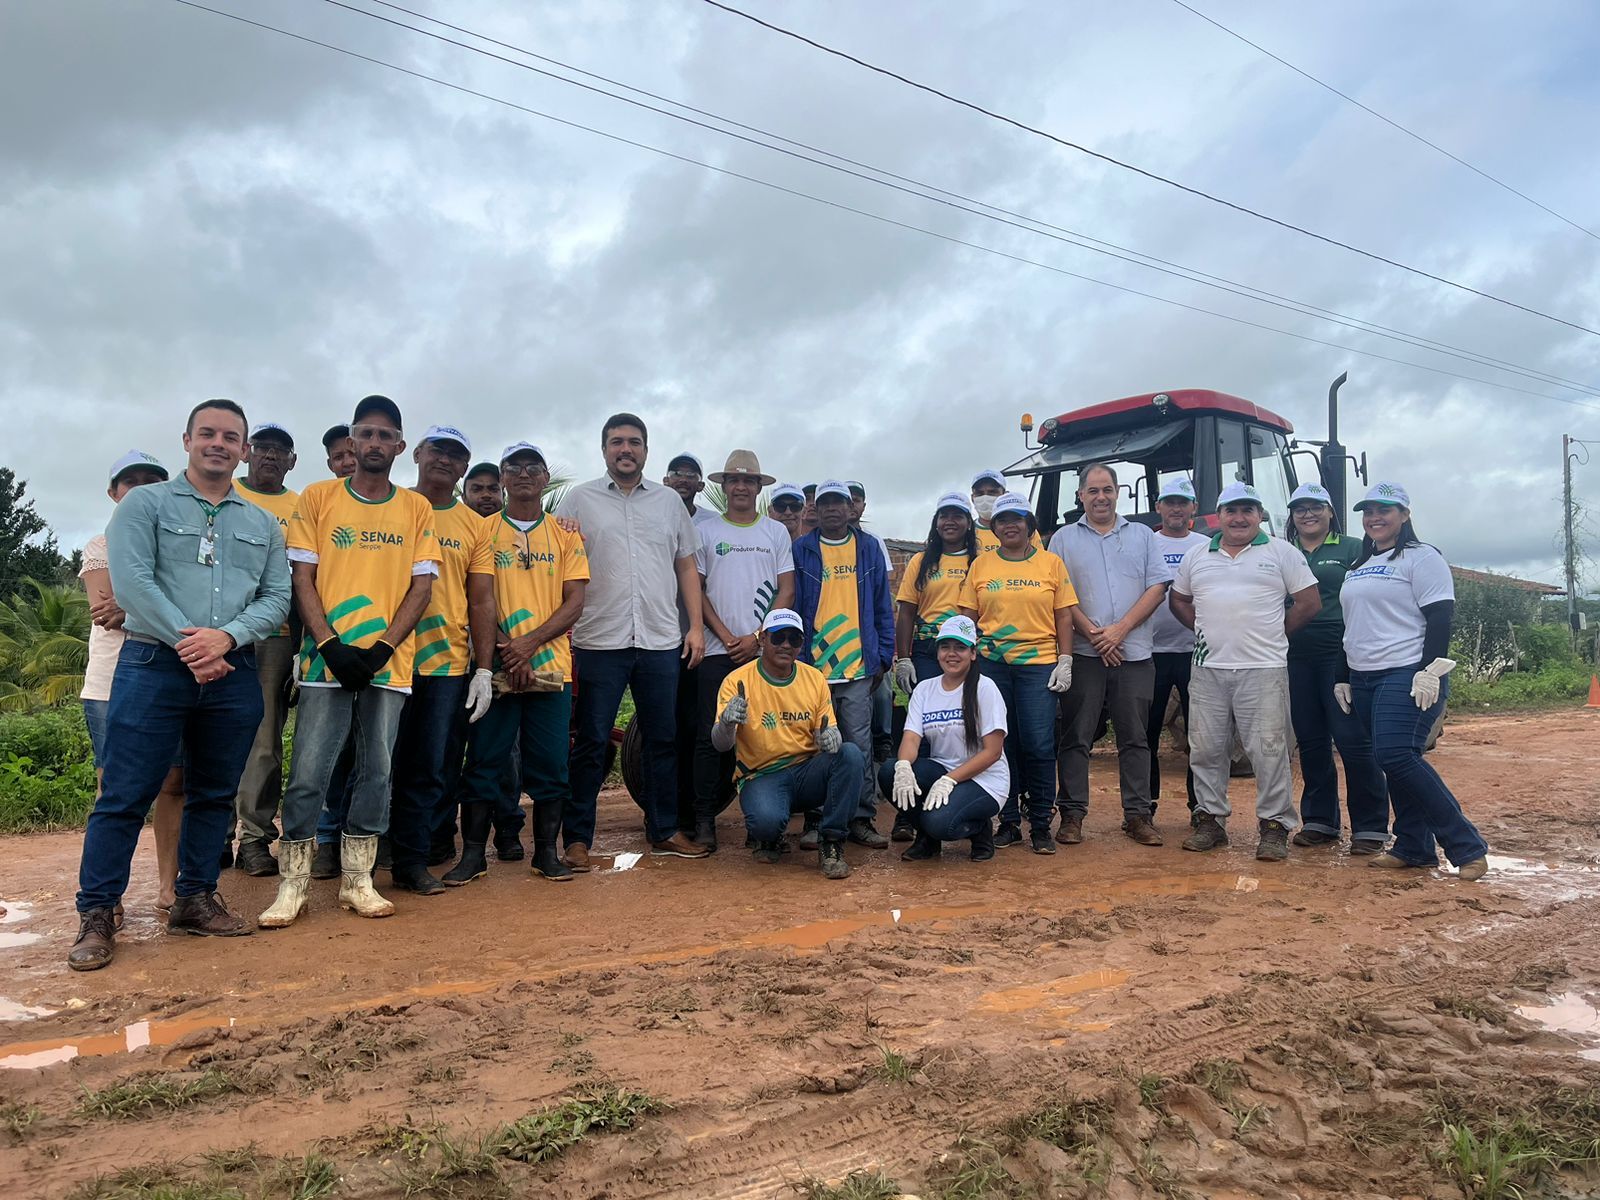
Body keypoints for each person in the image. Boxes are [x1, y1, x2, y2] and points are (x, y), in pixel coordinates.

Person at [69, 401, 291, 971]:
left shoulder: (261, 523)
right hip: (153, 666)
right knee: (124, 794)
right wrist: (193, 644)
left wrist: (228, 639)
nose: (219, 443)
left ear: (243, 449)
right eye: (208, 433)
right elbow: (134, 583)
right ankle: (97, 913)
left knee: (214, 793)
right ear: (187, 439)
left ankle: (194, 898)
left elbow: (276, 598)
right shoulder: (145, 504)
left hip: (232, 670)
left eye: (231, 436)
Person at [260, 395, 438, 928]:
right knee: (310, 772)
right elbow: (301, 579)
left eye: (387, 436)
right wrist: (331, 645)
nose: (376, 444)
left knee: (376, 772)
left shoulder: (416, 508)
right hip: (324, 664)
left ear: (400, 446)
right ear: (351, 442)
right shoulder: (317, 499)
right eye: (367, 434)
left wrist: (382, 648)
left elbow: (422, 587)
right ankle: (292, 884)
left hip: (389, 665)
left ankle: (358, 881)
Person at [555, 412, 709, 863]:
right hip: (598, 639)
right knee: (591, 741)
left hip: (661, 640)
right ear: (604, 449)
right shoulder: (576, 502)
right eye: (617, 442)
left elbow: (686, 565)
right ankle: (577, 839)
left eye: (634, 442)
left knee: (663, 739)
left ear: (646, 449)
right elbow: (558, 565)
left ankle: (663, 830)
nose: (626, 449)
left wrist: (695, 626)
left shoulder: (668, 504)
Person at [452, 442, 590, 884]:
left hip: (552, 669)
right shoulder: (482, 531)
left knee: (551, 765)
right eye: (515, 467)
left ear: (546, 477)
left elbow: (575, 601)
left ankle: (545, 854)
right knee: (484, 762)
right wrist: (508, 651)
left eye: (534, 467)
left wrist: (528, 644)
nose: (525, 474)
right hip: (494, 668)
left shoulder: (567, 535)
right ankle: (472, 856)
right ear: (504, 477)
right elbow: (480, 598)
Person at [1340, 482, 1487, 881]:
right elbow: (1355, 622)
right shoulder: (1360, 563)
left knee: (1395, 756)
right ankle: (1414, 846)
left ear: (1404, 515)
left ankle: (1466, 846)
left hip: (1406, 671)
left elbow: (1440, 617)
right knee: (1398, 760)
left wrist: (1430, 670)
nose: (1374, 517)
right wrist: (1344, 676)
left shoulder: (1422, 558)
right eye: (1368, 511)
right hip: (1364, 676)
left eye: (1385, 510)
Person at [1168, 482, 1320, 861]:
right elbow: (1180, 600)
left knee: (1269, 751)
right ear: (1218, 516)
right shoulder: (1198, 554)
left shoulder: (1282, 553)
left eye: (1247, 510)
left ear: (1260, 515)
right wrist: (1205, 633)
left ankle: (1274, 827)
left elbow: (1308, 602)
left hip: (1263, 668)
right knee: (1205, 749)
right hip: (1208, 670)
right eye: (1231, 511)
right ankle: (1210, 821)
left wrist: (1273, 634)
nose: (1239, 518)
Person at [388, 426, 497, 895]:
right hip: (383, 657)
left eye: (457, 456)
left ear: (464, 466)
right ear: (417, 453)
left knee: (430, 766)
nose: (446, 461)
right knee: (373, 763)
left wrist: (485, 670)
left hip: (445, 665)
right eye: (438, 451)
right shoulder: (393, 505)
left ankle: (413, 861)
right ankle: (362, 853)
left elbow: (482, 601)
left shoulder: (473, 524)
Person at [78, 451, 183, 925]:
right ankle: (106, 895)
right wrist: (161, 609)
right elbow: (106, 612)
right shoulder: (99, 546)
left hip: (168, 673)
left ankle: (169, 885)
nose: (140, 488)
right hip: (108, 681)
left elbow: (131, 611)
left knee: (174, 784)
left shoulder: (177, 546)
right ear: (112, 492)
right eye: (130, 481)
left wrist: (135, 606)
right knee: (114, 788)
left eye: (152, 480)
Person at [1047, 464, 1170, 847]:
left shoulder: (1144, 536)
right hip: (1083, 653)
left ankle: (1137, 816)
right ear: (1080, 496)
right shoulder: (1063, 539)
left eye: (1107, 490)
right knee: (1075, 736)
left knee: (1135, 738)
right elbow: (1058, 595)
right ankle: (1072, 815)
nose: (1101, 497)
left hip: (1133, 653)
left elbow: (1157, 587)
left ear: (1118, 493)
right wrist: (1095, 635)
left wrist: (1119, 631)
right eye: (1092, 491)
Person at [958, 492, 1078, 853]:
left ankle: (1040, 823)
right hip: (993, 665)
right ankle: (1008, 821)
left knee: (1039, 744)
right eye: (1002, 520)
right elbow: (967, 615)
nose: (1010, 525)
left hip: (1038, 664)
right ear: (993, 528)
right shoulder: (981, 565)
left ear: (1029, 525)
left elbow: (1064, 615)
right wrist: (967, 660)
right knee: (1000, 744)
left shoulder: (1051, 563)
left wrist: (1066, 658)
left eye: (1017, 519)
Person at [693, 451, 795, 850]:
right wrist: (726, 635)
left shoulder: (775, 532)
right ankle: (705, 821)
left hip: (764, 652)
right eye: (734, 481)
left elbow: (786, 589)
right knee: (712, 737)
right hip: (717, 652)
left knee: (763, 733)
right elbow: (697, 589)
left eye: (748, 481)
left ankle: (762, 823)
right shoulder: (706, 531)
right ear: (724, 486)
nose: (740, 487)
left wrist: (757, 637)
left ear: (758, 487)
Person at [711, 608, 859, 879]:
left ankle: (832, 842)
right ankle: (767, 836)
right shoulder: (737, 681)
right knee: (766, 823)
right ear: (763, 639)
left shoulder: (813, 678)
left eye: (795, 639)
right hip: (761, 775)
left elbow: (826, 736)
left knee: (850, 755)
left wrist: (830, 739)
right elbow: (721, 745)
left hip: (805, 772)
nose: (787, 645)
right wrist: (727, 723)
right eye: (779, 637)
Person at [1284, 482, 1389, 855]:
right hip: (1295, 656)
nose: (1308, 514)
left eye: (1316, 507)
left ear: (1331, 511)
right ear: (1291, 517)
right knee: (1311, 741)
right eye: (1300, 509)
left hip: (1342, 655)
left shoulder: (1354, 548)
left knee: (1352, 741)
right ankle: (1320, 821)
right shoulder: (1284, 551)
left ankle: (1371, 826)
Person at [792, 479, 895, 850]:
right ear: (815, 510)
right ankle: (816, 820)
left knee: (860, 745)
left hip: (858, 669)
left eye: (840, 502)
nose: (833, 509)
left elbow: (884, 604)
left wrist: (884, 655)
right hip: (813, 669)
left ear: (850, 508)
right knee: (817, 746)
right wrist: (798, 661)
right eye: (826, 503)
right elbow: (795, 605)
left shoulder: (868, 548)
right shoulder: (802, 549)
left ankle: (861, 818)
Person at [227, 422, 300, 877]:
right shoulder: (223, 493)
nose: (271, 456)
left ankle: (254, 840)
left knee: (265, 740)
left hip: (275, 635)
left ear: (292, 461)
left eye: (281, 450)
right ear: (246, 452)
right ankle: (212, 834)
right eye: (264, 447)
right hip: (214, 633)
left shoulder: (302, 507)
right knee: (209, 735)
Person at [881, 615, 1006, 862]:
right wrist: (904, 766)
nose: (952, 654)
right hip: (942, 770)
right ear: (937, 651)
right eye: (945, 646)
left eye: (960, 647)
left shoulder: (985, 688)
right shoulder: (925, 690)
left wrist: (949, 780)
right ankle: (927, 839)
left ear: (972, 653)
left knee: (940, 823)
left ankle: (979, 829)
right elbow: (911, 739)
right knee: (889, 772)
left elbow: (992, 752)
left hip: (985, 780)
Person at [1145, 478, 1208, 816]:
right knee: (1147, 732)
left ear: (1193, 508)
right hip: (1150, 652)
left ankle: (1199, 804)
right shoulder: (1146, 543)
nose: (1176, 508)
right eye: (1169, 502)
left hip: (1194, 651)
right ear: (1159, 507)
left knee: (1199, 733)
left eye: (1183, 502)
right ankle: (1146, 804)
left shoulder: (1205, 545)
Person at [662, 451, 716, 844]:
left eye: (691, 475)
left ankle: (702, 811)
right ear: (666, 480)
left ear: (701, 484)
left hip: (704, 641)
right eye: (676, 473)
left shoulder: (712, 525)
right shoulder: (655, 512)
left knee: (702, 727)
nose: (683, 479)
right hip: (661, 639)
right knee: (669, 727)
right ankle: (671, 811)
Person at [893, 492, 980, 688]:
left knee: (967, 709)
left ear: (968, 523)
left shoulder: (979, 562)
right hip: (928, 649)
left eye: (957, 516)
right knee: (927, 709)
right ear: (936, 523)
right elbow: (906, 613)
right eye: (944, 516)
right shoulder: (921, 561)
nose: (950, 521)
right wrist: (904, 659)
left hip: (966, 646)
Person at [848, 481, 896, 769]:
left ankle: (884, 737)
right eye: (847, 499)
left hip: (869, 635)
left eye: (856, 500)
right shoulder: (814, 541)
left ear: (863, 506)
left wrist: (884, 647)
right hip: (838, 642)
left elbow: (883, 596)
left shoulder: (873, 542)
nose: (851, 505)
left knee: (882, 689)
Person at [971, 470, 1043, 555]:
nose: (985, 497)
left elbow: (1040, 561)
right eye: (979, 493)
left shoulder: (1025, 530)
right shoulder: (966, 532)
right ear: (972, 498)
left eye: (992, 492)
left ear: (1005, 495)